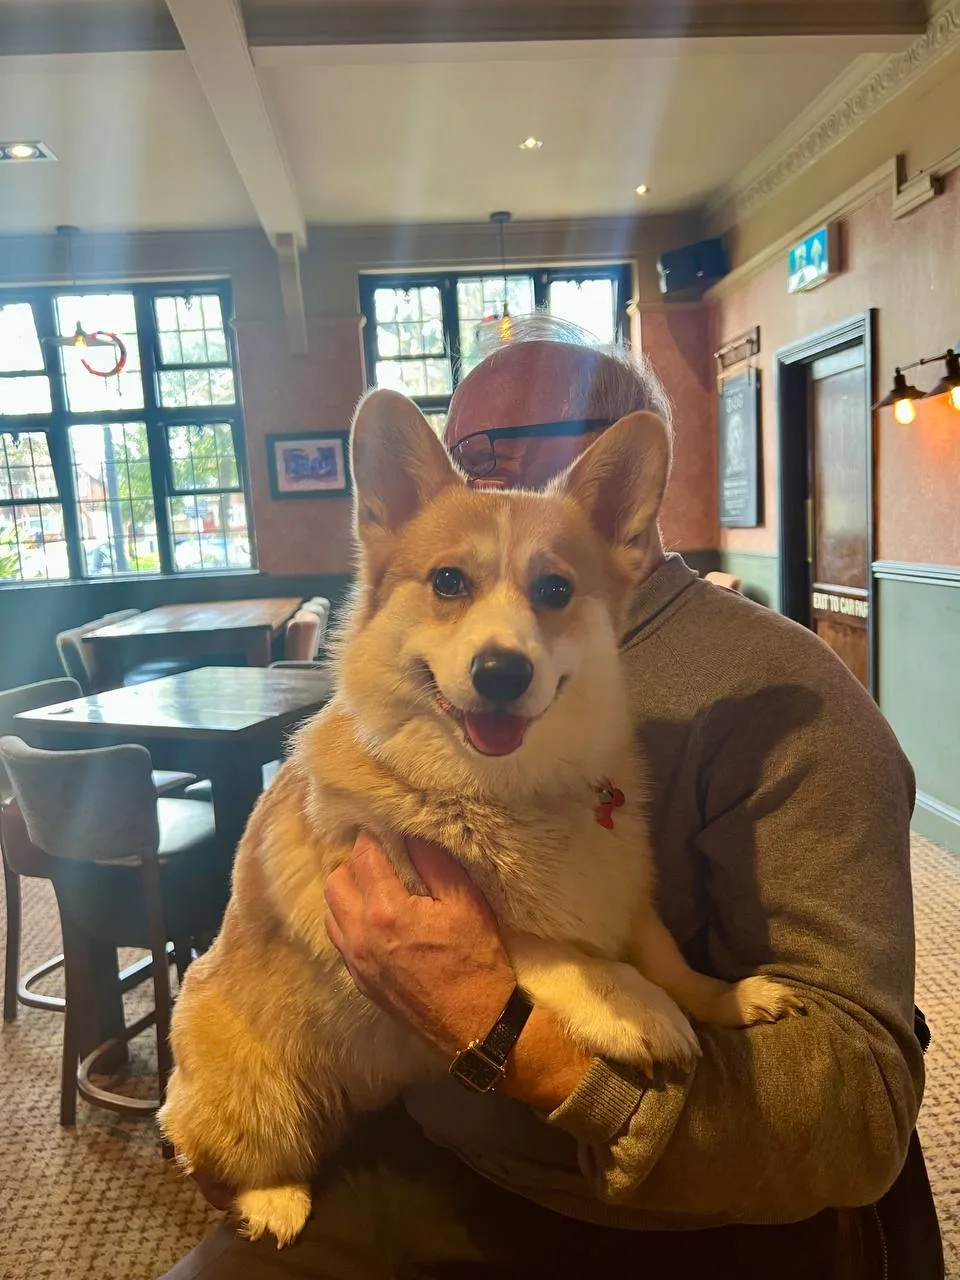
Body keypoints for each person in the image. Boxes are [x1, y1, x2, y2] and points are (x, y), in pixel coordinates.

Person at [165, 318, 942, 1279]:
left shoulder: (790, 695)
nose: (458, 486)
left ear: (611, 487)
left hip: (649, 1211)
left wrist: (513, 1036)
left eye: (483, 454)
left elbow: (863, 1111)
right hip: (420, 1128)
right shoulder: (413, 682)